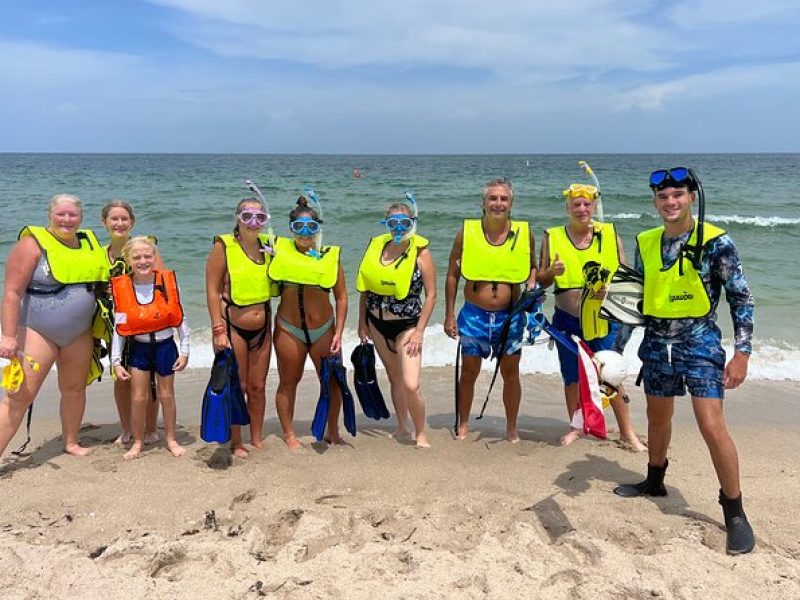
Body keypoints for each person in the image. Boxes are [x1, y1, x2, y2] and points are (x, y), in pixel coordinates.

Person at [613, 167, 755, 555]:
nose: (670, 202)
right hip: (656, 342)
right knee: (657, 416)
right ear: (655, 202)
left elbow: (740, 297)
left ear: (692, 197)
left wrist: (742, 353)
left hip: (700, 342)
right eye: (663, 197)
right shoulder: (645, 242)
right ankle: (654, 479)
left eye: (678, 194)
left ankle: (735, 511)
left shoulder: (716, 242)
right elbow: (633, 301)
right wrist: (613, 351)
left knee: (711, 424)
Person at [537, 183, 645, 450]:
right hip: (567, 319)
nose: (582, 209)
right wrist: (552, 271)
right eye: (576, 205)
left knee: (612, 375)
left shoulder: (609, 235)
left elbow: (626, 276)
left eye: (587, 204)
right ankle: (576, 425)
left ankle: (626, 432)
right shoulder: (553, 237)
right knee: (572, 376)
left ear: (594, 207)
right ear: (567, 208)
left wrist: (612, 289)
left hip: (603, 319)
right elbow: (541, 281)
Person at [0, 194, 108, 457]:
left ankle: (70, 442)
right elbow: (12, 293)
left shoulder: (89, 243)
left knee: (74, 390)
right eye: (61, 214)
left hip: (79, 333)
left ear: (81, 218)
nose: (67, 220)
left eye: (73, 215)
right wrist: (8, 336)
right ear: (50, 215)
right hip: (37, 331)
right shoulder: (32, 245)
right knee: (18, 397)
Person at [444, 178, 537, 442]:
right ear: (483, 203)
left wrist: (533, 280)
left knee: (511, 373)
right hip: (474, 315)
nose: (498, 203)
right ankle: (463, 423)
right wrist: (449, 314)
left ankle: (511, 427)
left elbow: (531, 266)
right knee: (469, 372)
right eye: (493, 198)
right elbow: (452, 275)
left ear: (511, 203)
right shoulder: (466, 233)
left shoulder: (523, 233)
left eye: (503, 199)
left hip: (510, 316)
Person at [356, 195, 436, 447]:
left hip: (407, 326)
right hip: (377, 323)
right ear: (386, 224)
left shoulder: (421, 254)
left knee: (411, 384)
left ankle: (420, 432)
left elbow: (432, 294)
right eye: (393, 223)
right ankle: (402, 426)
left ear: (412, 223)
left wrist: (420, 331)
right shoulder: (377, 248)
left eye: (403, 222)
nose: (398, 228)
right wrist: (361, 322)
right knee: (394, 378)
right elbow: (365, 288)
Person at [269, 194, 348, 449]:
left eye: (311, 227)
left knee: (333, 382)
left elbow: (342, 297)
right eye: (299, 227)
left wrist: (340, 333)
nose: (305, 233)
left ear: (318, 228)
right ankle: (289, 433)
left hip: (324, 329)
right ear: (291, 229)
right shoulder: (278, 252)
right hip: (288, 329)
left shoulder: (329, 255)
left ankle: (332, 430)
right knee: (289, 381)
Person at [205, 197, 276, 458]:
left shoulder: (269, 246)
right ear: (237, 218)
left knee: (258, 385)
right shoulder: (223, 247)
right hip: (233, 325)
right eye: (247, 216)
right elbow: (212, 291)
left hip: (263, 325)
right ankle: (236, 440)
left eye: (260, 217)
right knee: (239, 385)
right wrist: (217, 329)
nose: (253, 222)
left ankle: (256, 436)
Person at [110, 237, 189, 460]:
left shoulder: (167, 283)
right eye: (137, 257)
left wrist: (185, 350)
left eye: (147, 256)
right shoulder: (123, 287)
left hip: (165, 347)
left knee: (167, 395)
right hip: (139, 349)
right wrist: (116, 362)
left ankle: (171, 439)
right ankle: (137, 442)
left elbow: (181, 319)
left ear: (155, 258)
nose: (143, 261)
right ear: (128, 260)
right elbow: (120, 328)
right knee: (138, 398)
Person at [100, 200, 164, 446]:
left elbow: (162, 285)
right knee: (121, 378)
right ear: (104, 222)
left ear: (132, 222)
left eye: (124, 219)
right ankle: (126, 428)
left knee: (149, 378)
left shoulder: (144, 248)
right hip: (116, 324)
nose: (119, 223)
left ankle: (150, 427)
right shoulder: (100, 254)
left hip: (147, 323)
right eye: (114, 219)